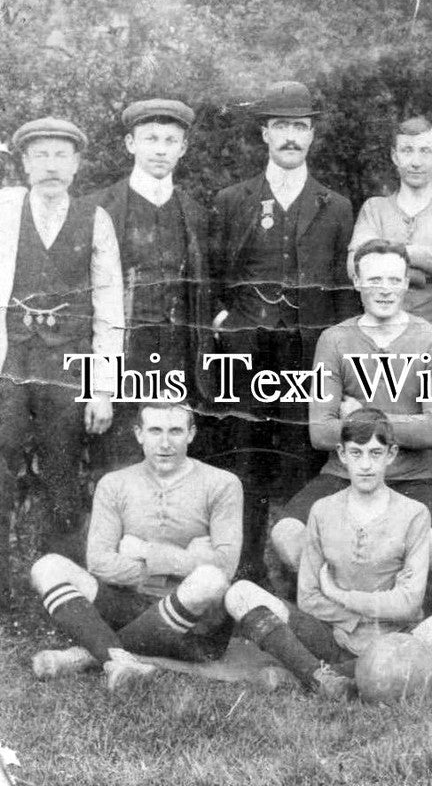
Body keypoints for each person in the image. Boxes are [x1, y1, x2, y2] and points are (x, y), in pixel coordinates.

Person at [209, 81, 354, 575]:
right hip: (244, 348)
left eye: (300, 127)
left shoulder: (335, 205)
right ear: (265, 133)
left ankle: (299, 578)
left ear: (312, 135)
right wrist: (226, 318)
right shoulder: (233, 200)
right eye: (281, 127)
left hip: (307, 349)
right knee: (243, 461)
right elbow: (213, 274)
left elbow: (341, 288)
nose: (291, 136)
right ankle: (243, 571)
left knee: (300, 459)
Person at [225, 408, 432, 699]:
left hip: (393, 640)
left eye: (375, 453)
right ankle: (326, 677)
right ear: (342, 454)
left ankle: (309, 673)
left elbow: (409, 604)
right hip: (330, 634)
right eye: (356, 453)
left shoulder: (415, 514)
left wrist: (341, 595)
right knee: (240, 593)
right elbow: (308, 598)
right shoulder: (322, 510)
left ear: (391, 454)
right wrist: (352, 621)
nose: (366, 465)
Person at [269, 239, 432, 581]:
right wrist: (398, 424)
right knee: (287, 534)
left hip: (411, 477)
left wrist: (360, 416)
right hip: (344, 475)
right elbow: (321, 433)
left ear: (405, 282)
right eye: (373, 280)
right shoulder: (335, 340)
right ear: (356, 281)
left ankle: (382, 606)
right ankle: (336, 602)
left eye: (393, 280)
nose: (384, 290)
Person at [28, 403, 241, 692]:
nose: (165, 443)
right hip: (129, 605)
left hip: (196, 624)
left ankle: (92, 654)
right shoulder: (114, 484)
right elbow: (99, 563)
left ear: (191, 434)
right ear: (139, 434)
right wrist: (188, 560)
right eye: (155, 431)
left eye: (175, 431)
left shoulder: (223, 484)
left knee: (210, 580)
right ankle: (119, 659)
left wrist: (145, 552)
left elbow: (224, 567)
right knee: (47, 566)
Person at [0, 117, 123, 563]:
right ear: (26, 164)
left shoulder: (95, 219)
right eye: (41, 156)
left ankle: (62, 581)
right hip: (10, 361)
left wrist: (102, 390)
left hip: (69, 368)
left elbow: (110, 309)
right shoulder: (6, 211)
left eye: (60, 155)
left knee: (62, 469)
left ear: (75, 165)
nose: (51, 165)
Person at [89, 99, 215, 470]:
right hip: (123, 356)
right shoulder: (100, 208)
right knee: (118, 463)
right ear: (131, 144)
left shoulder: (196, 213)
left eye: (170, 140)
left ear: (183, 148)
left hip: (180, 356)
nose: (160, 149)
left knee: (176, 462)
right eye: (150, 138)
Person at [347, 116, 432, 354]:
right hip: (383, 336)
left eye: (425, 151)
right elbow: (355, 266)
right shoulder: (374, 208)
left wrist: (400, 253)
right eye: (407, 150)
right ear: (395, 156)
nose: (416, 161)